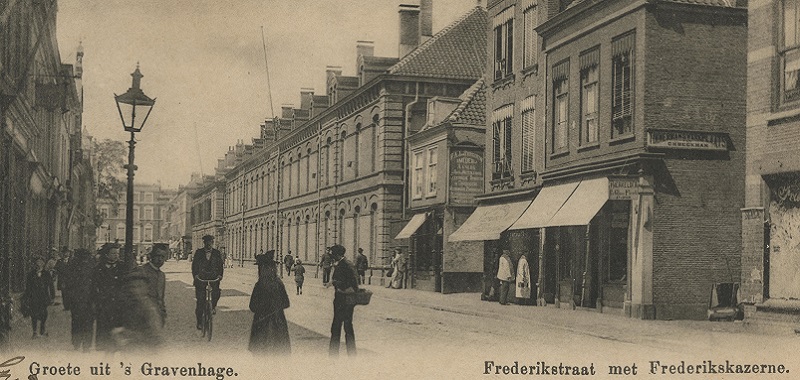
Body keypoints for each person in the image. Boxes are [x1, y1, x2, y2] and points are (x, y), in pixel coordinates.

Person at [116, 244, 168, 350]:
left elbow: (161, 297)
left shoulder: (162, 275)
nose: (160, 259)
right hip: (140, 317)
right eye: (157, 256)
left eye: (163, 257)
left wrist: (162, 313)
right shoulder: (141, 271)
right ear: (151, 256)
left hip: (155, 317)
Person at [248, 251, 291, 355]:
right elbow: (286, 303)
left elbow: (252, 306)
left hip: (261, 323)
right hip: (278, 323)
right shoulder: (279, 283)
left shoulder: (259, 285)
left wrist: (262, 309)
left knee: (260, 354)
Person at [92, 243, 125, 351]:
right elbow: (94, 286)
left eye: (117, 253)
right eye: (113, 253)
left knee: (117, 328)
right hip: (103, 304)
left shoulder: (122, 267)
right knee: (104, 329)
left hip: (118, 304)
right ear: (106, 254)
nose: (116, 255)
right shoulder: (98, 268)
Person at [328, 244, 358, 357]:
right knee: (348, 326)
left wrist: (335, 282)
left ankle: (333, 355)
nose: (332, 257)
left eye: (333, 254)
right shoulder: (345, 264)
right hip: (346, 300)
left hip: (342, 300)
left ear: (337, 254)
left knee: (337, 327)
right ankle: (352, 354)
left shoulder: (344, 265)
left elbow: (351, 283)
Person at [192, 235, 224, 330]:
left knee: (217, 292)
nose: (209, 244)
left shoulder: (217, 253)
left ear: (212, 243)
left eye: (210, 242)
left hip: (213, 278)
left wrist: (220, 275)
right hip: (201, 278)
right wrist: (196, 275)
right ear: (204, 243)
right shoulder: (199, 253)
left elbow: (220, 266)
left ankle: (213, 306)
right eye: (207, 242)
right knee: (200, 301)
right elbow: (194, 266)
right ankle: (199, 322)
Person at [67, 248, 96, 352]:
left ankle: (77, 343)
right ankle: (86, 345)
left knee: (76, 322)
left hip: (78, 299)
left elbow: (69, 284)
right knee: (88, 322)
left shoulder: (73, 266)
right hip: (88, 299)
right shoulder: (92, 266)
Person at [23, 257, 54, 338]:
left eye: (40, 263)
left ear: (43, 264)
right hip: (34, 297)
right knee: (33, 315)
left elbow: (51, 286)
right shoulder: (31, 274)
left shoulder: (46, 274)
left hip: (43, 297)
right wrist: (26, 297)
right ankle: (35, 332)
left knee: (44, 314)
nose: (38, 265)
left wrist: (52, 296)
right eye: (37, 263)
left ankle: (42, 328)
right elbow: (28, 287)